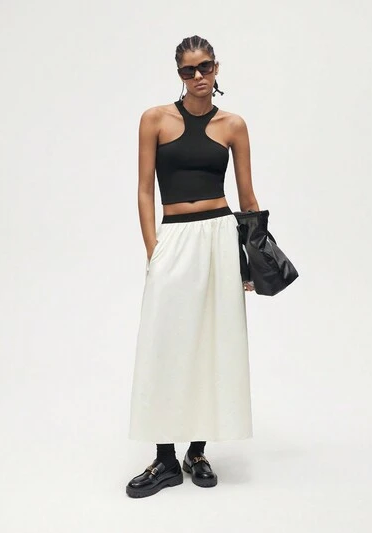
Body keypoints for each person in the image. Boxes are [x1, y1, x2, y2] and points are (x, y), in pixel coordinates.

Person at [126, 34, 259, 499]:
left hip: (220, 235)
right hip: (175, 237)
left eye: (205, 67)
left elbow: (247, 198)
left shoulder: (233, 125)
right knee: (165, 343)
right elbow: (145, 190)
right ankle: (164, 458)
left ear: (216, 68)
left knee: (211, 341)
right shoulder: (155, 119)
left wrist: (251, 259)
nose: (198, 76)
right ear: (179, 74)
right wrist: (154, 250)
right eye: (189, 70)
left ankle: (196, 452)